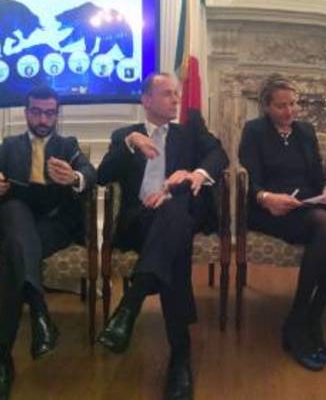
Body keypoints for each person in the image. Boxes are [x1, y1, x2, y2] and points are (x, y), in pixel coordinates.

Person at [96, 72, 228, 400]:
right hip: (140, 220)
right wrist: (130, 143)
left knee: (174, 212)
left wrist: (195, 173)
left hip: (178, 210)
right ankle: (180, 360)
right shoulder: (125, 136)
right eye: (167, 93)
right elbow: (102, 176)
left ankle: (130, 305)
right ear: (147, 100)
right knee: (175, 245)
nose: (176, 99)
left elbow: (219, 155)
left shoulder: (189, 131)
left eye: (177, 93)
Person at [238, 74, 326, 372]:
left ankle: (313, 316)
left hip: (306, 204)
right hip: (270, 209)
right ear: (266, 107)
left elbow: (316, 176)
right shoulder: (254, 131)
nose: (290, 111)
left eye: (294, 104)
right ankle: (296, 320)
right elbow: (250, 178)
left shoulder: (305, 131)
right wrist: (266, 197)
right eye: (282, 106)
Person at [0, 86, 96, 400]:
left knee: (12, 254)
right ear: (26, 112)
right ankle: (40, 314)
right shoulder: (9, 146)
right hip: (18, 219)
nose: (43, 119)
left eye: (49, 113)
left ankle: (3, 359)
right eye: (37, 112)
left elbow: (90, 173)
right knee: (14, 212)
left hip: (55, 225)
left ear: (56, 114)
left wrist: (74, 178)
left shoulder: (68, 145)